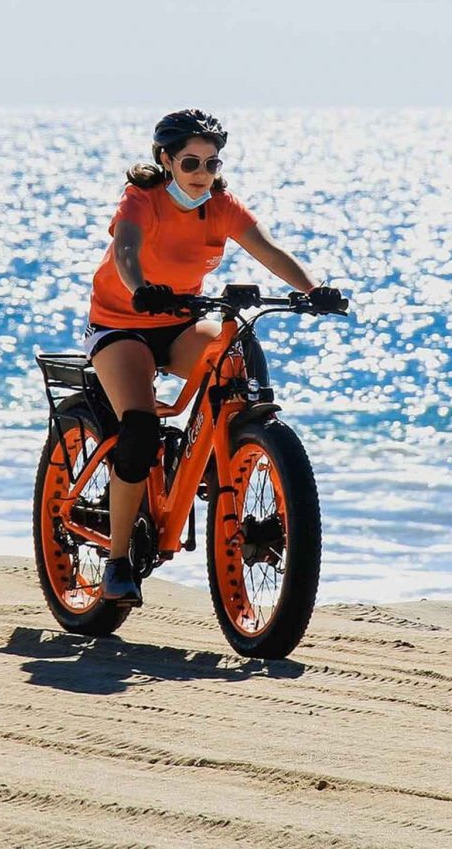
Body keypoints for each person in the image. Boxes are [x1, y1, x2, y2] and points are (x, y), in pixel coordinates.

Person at [84, 109, 344, 607]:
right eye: (190, 162)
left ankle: (230, 449)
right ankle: (118, 562)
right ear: (166, 160)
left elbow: (266, 249)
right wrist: (140, 290)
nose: (202, 172)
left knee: (235, 354)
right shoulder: (143, 198)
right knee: (138, 424)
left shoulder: (220, 205)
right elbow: (126, 251)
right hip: (123, 322)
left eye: (211, 162)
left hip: (179, 322)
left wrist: (313, 290)